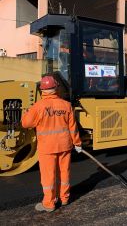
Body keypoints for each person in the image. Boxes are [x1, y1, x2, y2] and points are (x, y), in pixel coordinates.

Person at [21, 75, 82, 212]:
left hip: (47, 148)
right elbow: (73, 128)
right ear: (56, 88)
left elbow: (26, 123)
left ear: (42, 90)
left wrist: (25, 113)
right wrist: (77, 144)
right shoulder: (66, 105)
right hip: (65, 145)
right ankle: (64, 198)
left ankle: (49, 203)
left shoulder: (38, 106)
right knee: (64, 172)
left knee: (48, 175)